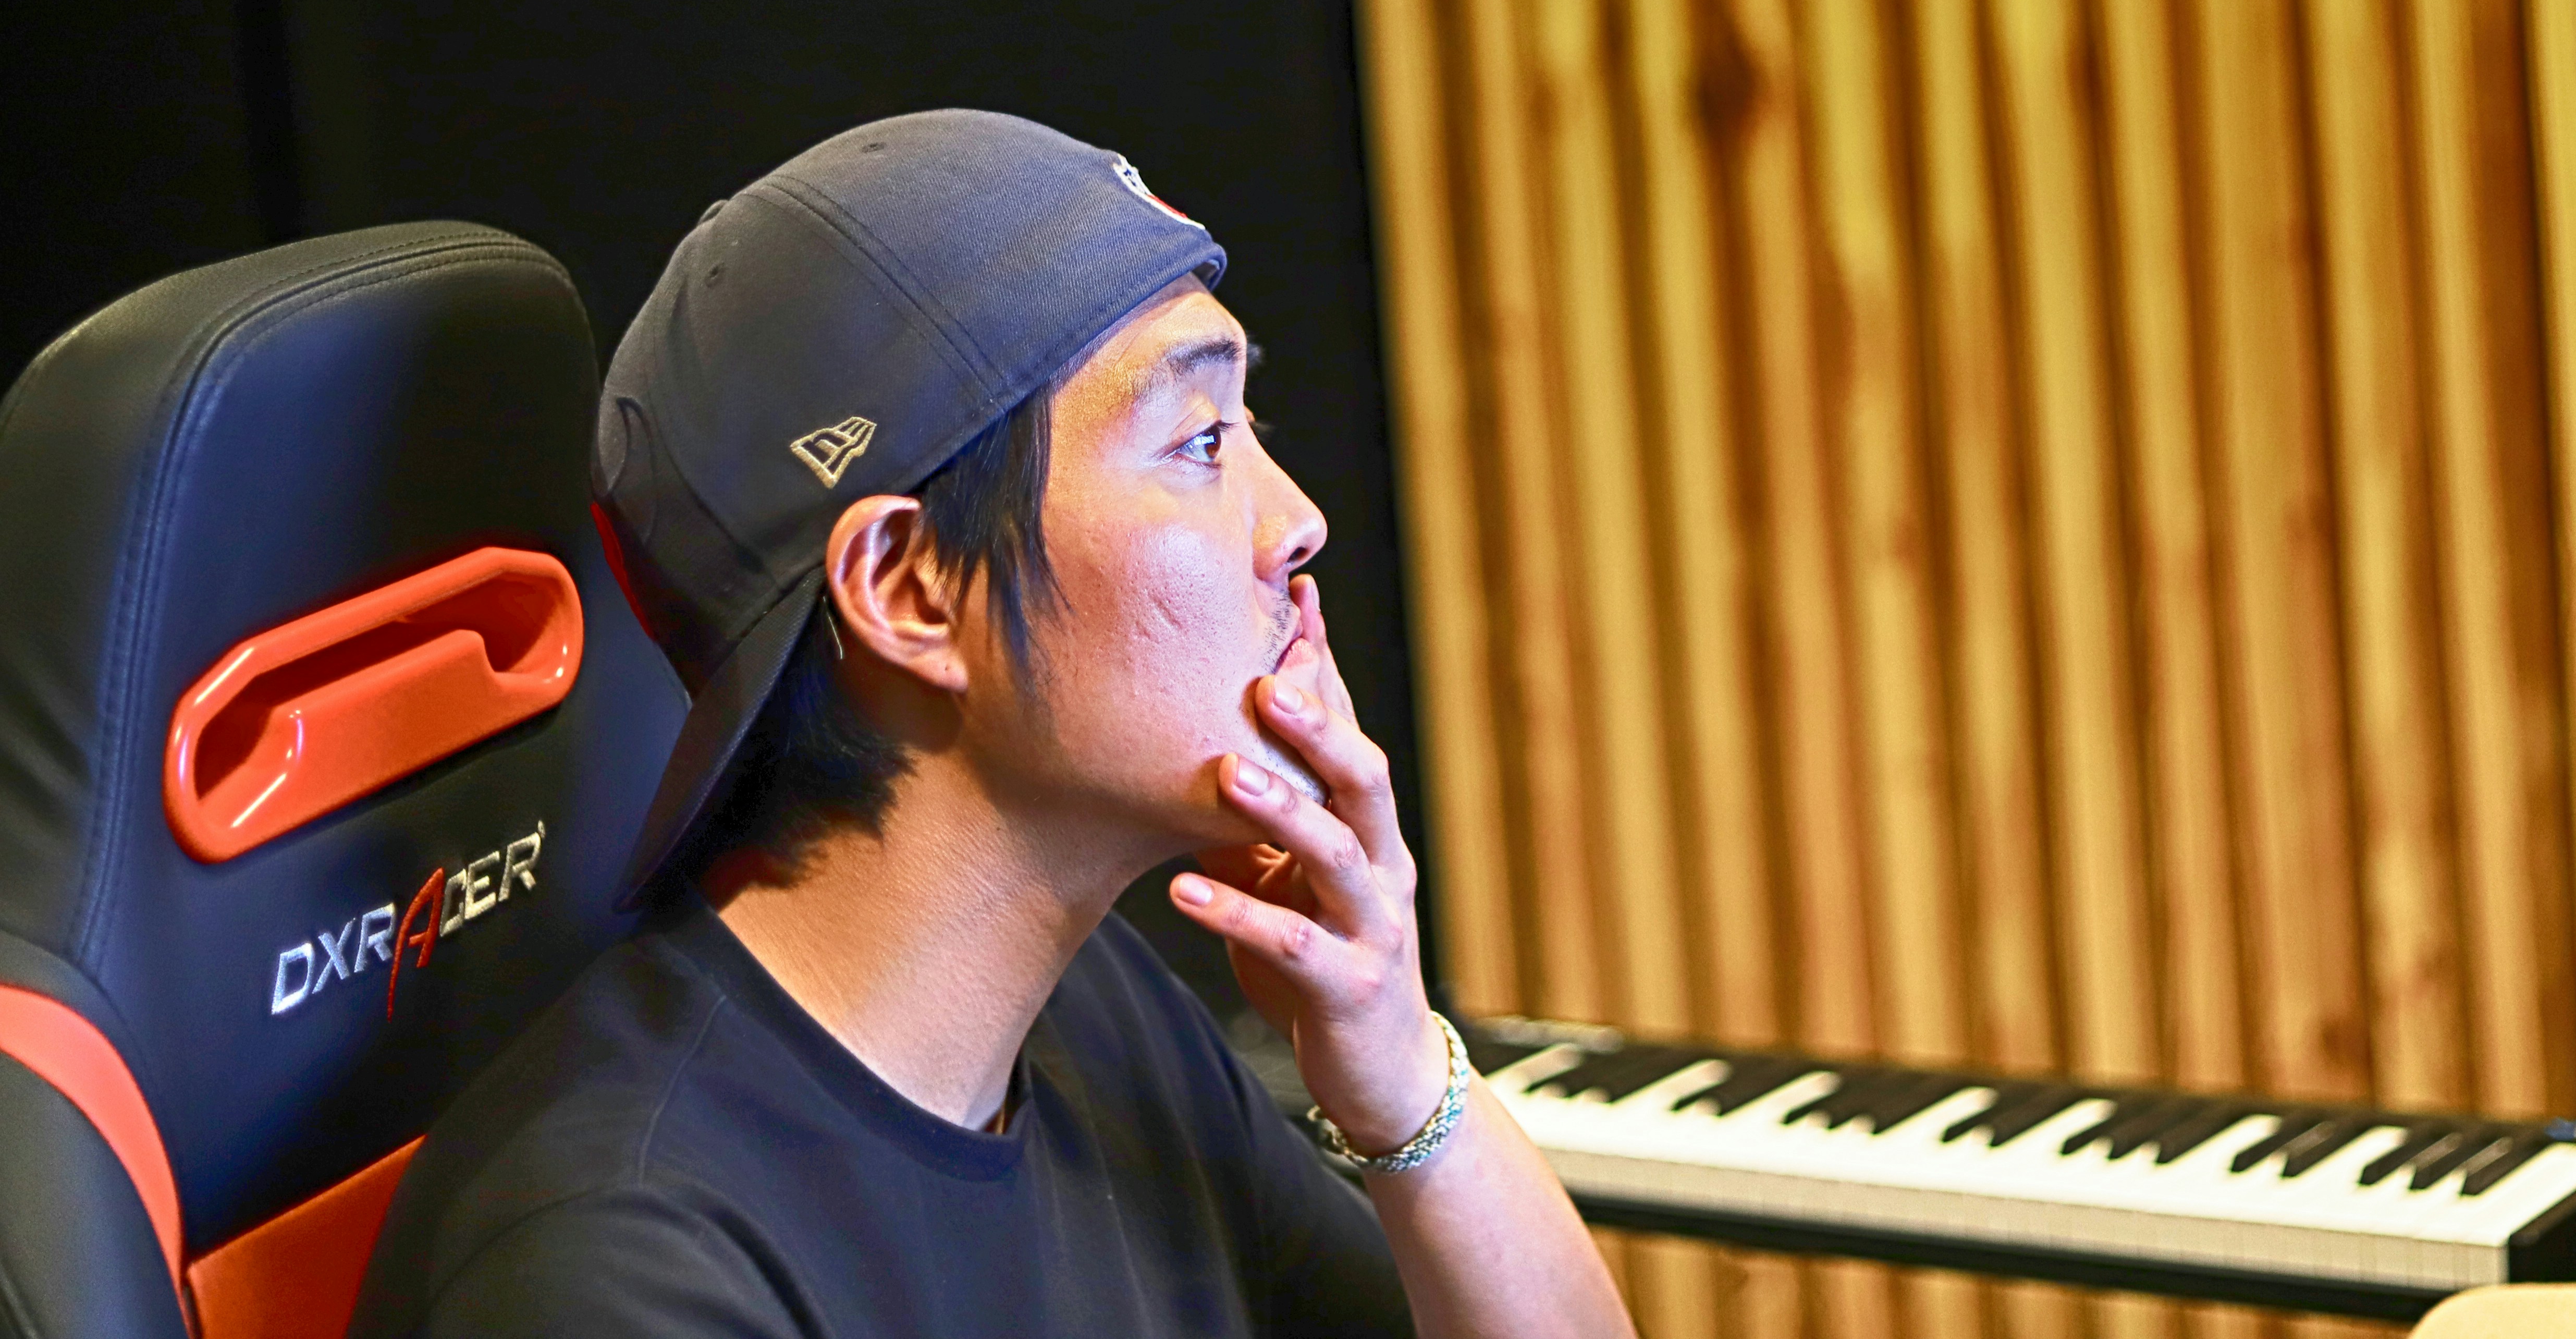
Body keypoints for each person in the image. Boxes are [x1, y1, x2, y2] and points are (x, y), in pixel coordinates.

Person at [354, 111, 1630, 1338]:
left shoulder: (1094, 1017)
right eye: (1198, 441)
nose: (1296, 520)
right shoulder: (612, 1260)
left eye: (1254, 429)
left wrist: (1402, 1069)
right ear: (909, 590)